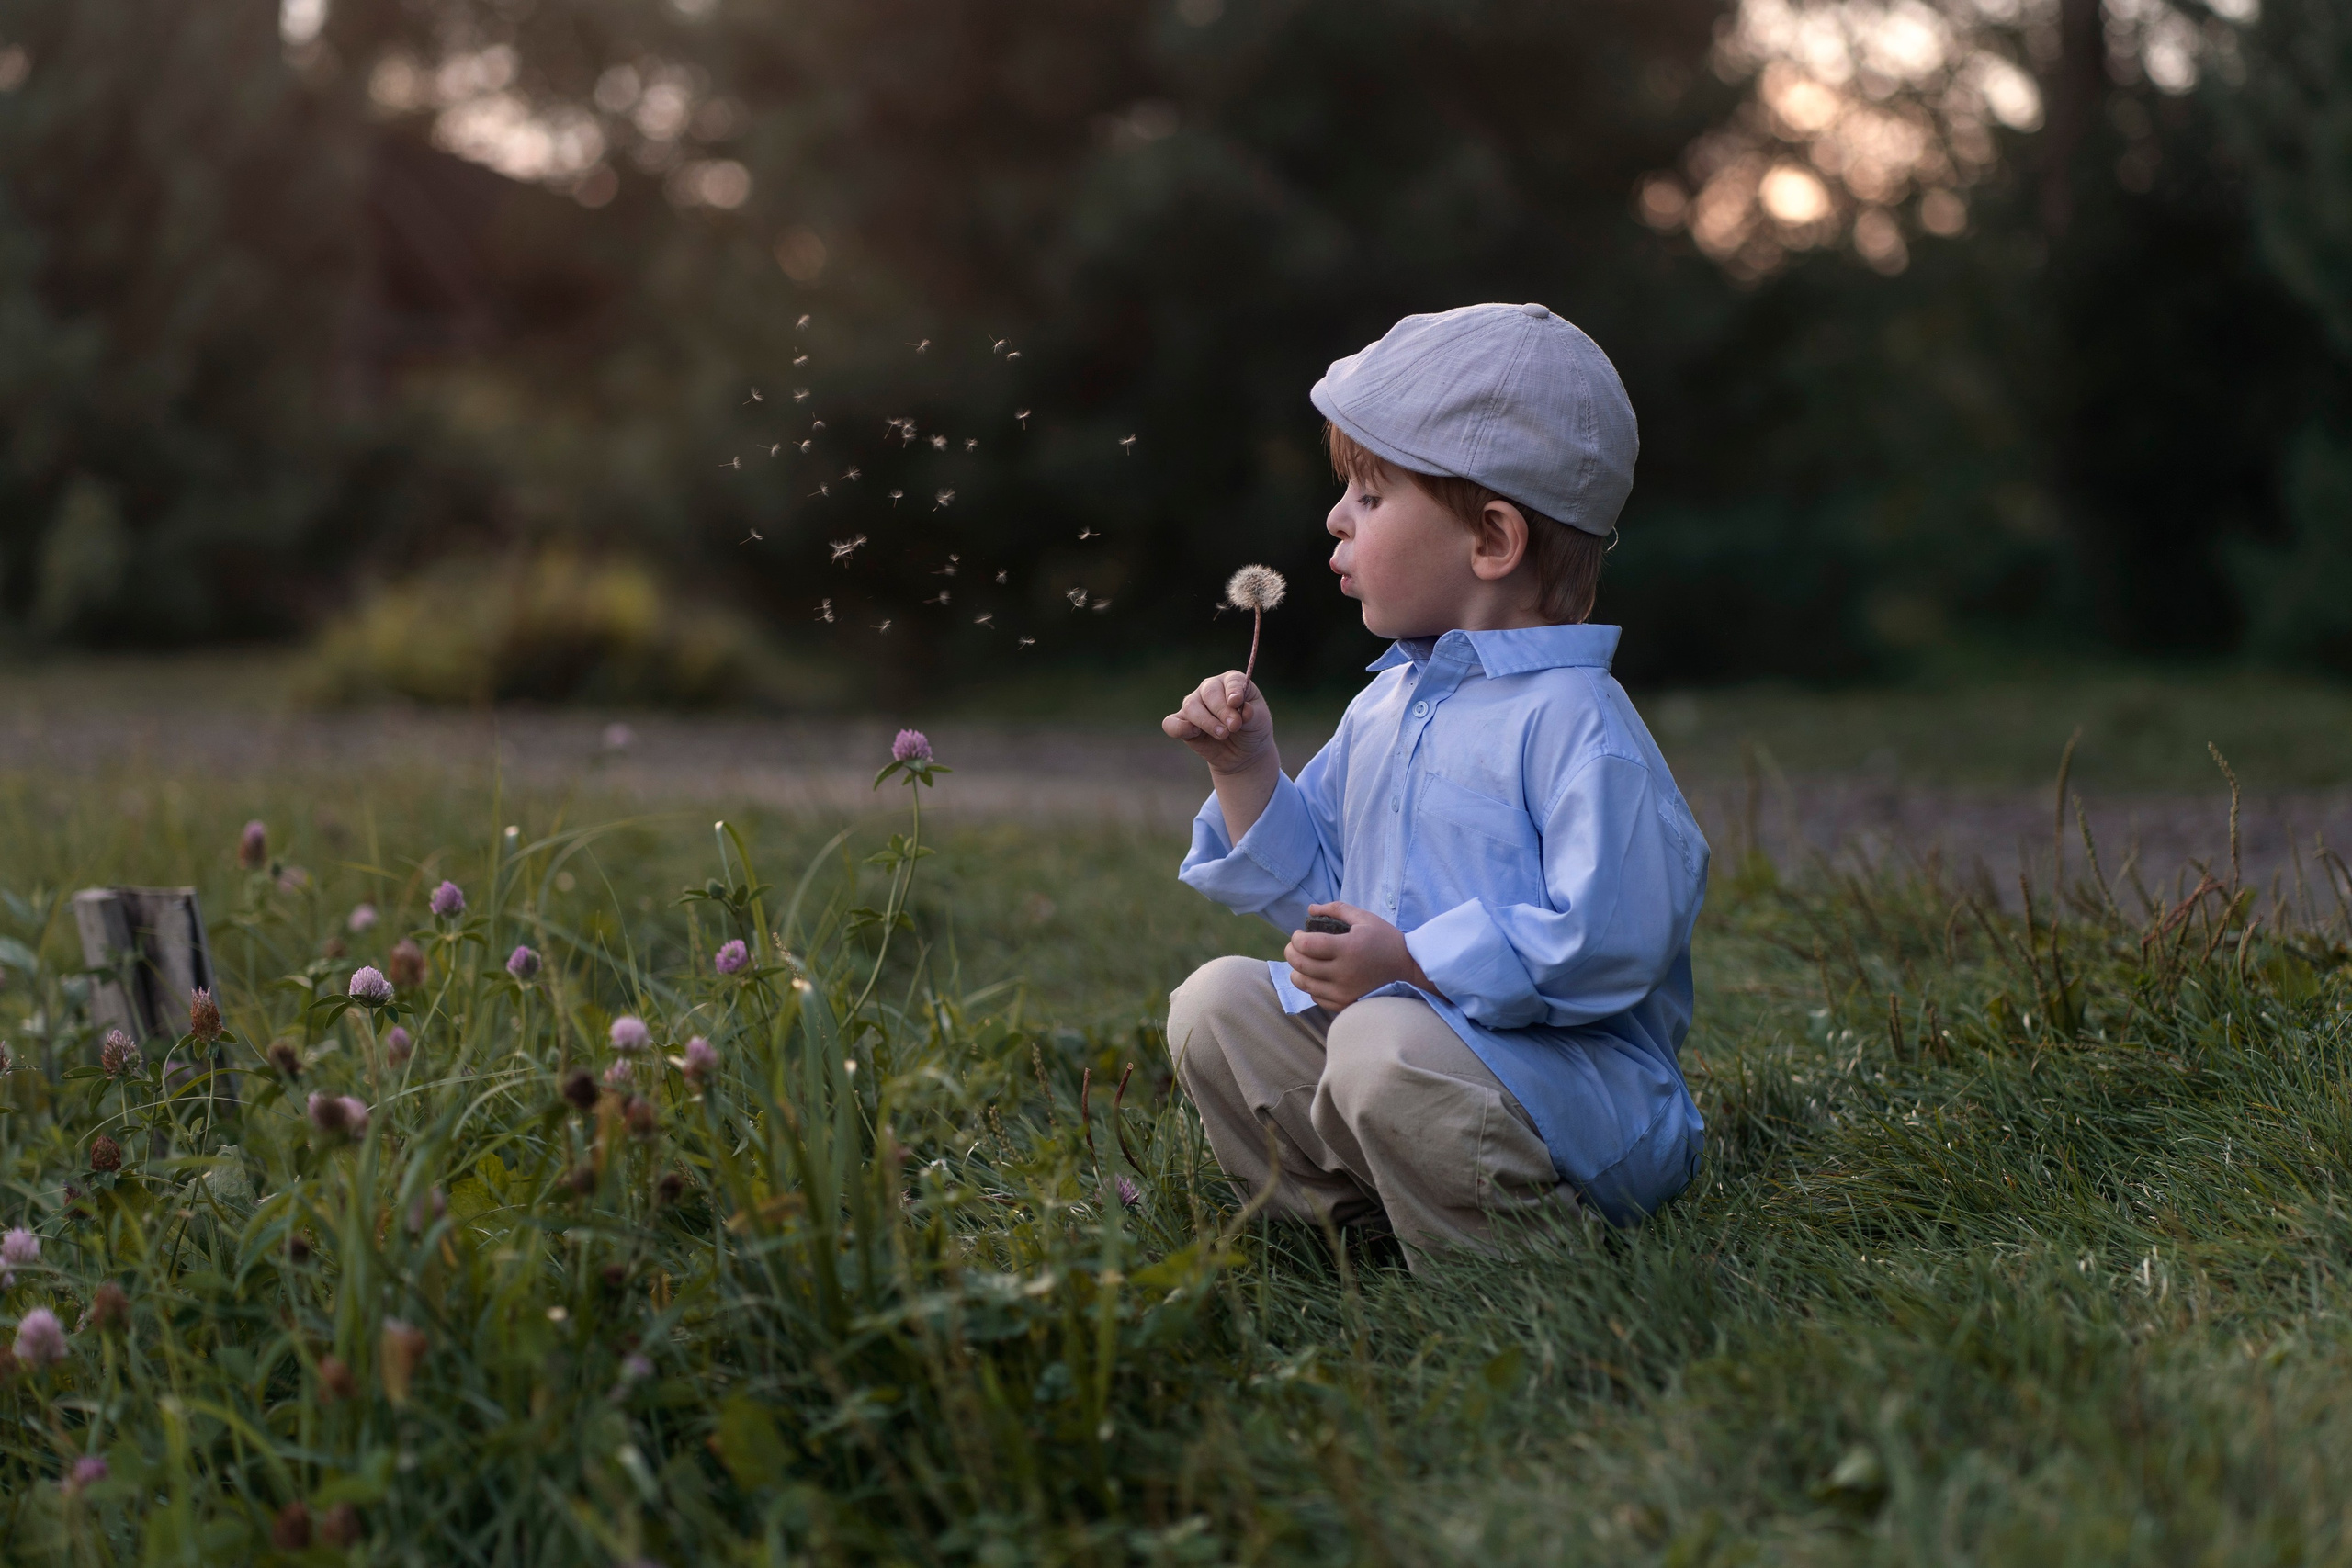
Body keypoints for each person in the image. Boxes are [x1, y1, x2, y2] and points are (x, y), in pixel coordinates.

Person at [1162, 302, 1708, 1266]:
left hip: (1575, 1098)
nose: (1334, 518)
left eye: (1370, 498)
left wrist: (1414, 965)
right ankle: (1361, 1225)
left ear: (1492, 539)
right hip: (1407, 1058)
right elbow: (1323, 907)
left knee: (1378, 1043)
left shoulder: (1576, 724)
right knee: (1215, 1006)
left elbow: (1611, 940)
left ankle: (1518, 1258)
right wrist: (1246, 769)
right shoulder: (1388, 707)